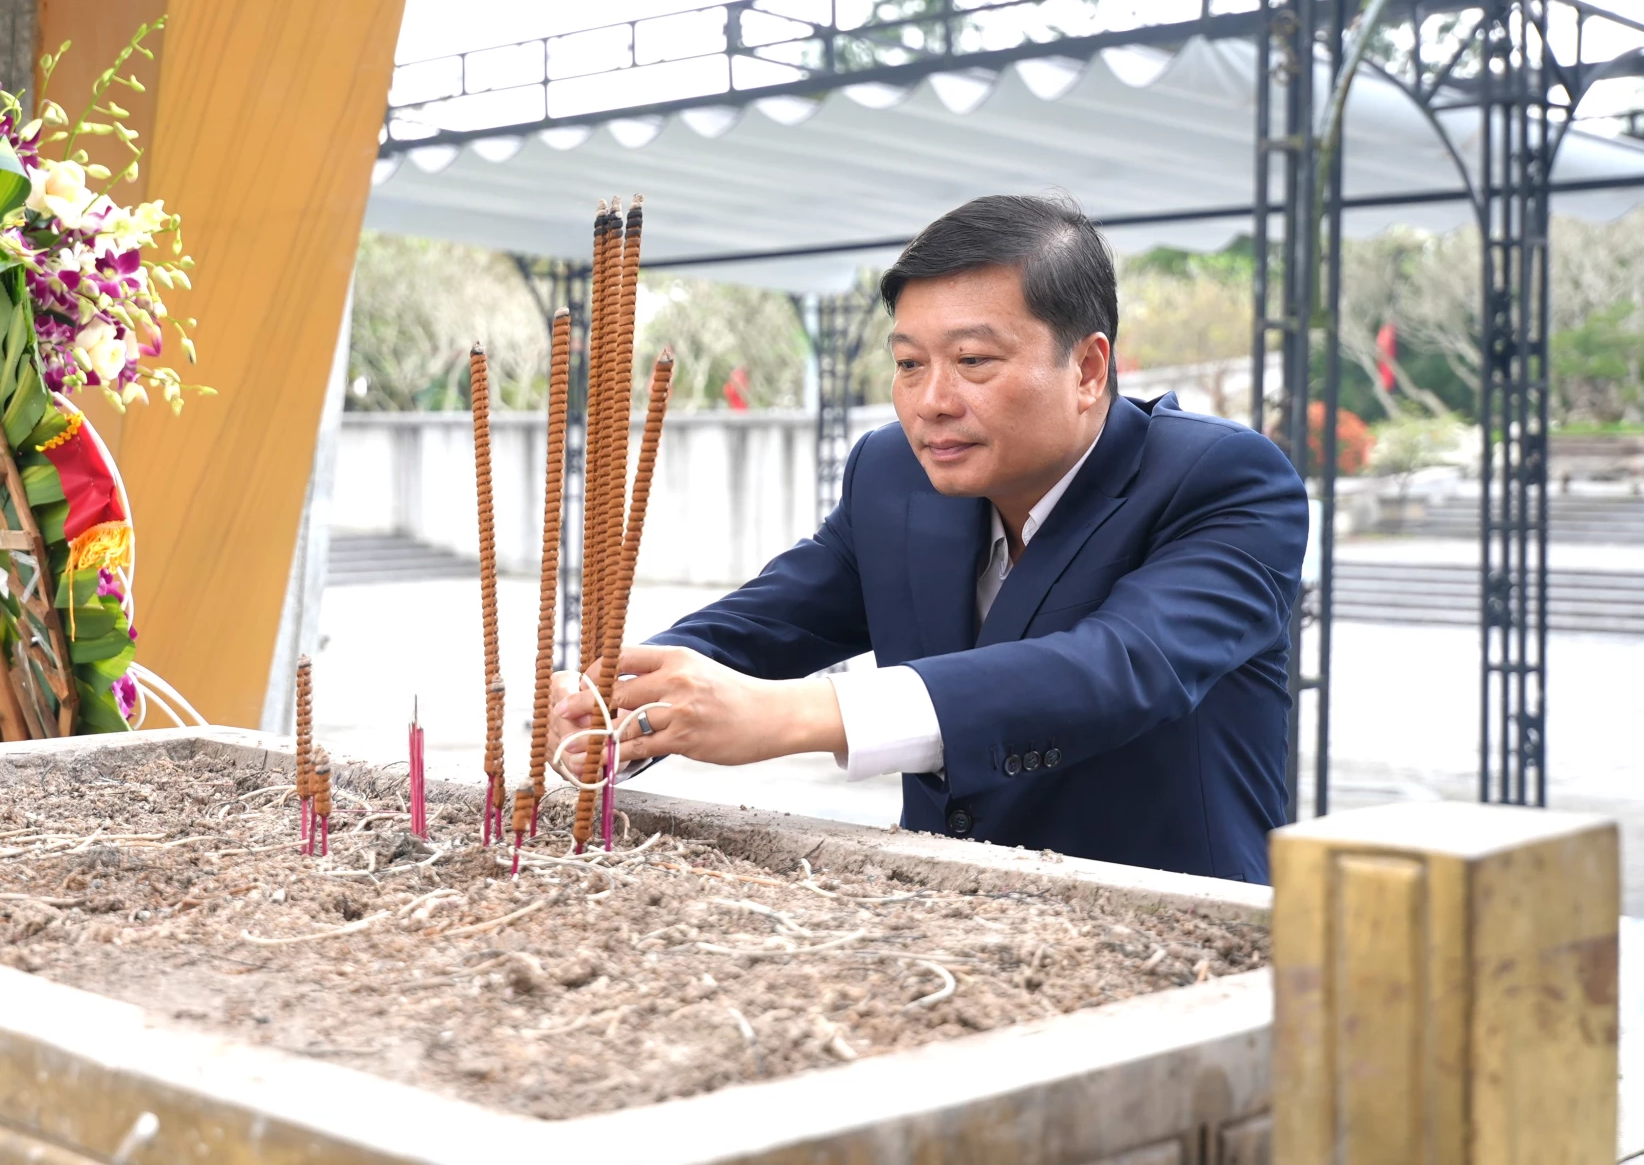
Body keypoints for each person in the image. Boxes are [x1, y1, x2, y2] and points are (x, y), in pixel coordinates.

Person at [548, 195, 1307, 883]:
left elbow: (1119, 668)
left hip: (1171, 932)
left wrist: (790, 715)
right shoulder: (896, 474)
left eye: (973, 361)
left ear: (1087, 368)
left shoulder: (1221, 480)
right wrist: (624, 703)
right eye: (909, 364)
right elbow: (771, 620)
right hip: (938, 923)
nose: (932, 401)